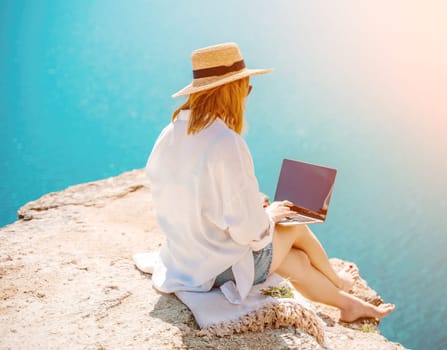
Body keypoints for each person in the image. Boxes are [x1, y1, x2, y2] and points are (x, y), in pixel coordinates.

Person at [145, 42, 395, 322]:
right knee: (295, 227)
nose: (246, 96)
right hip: (216, 269)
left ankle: (347, 305)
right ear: (233, 90)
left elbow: (187, 198)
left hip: (186, 259)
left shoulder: (170, 133)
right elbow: (249, 232)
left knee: (296, 262)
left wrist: (255, 212)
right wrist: (269, 216)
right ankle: (340, 281)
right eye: (246, 88)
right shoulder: (225, 142)